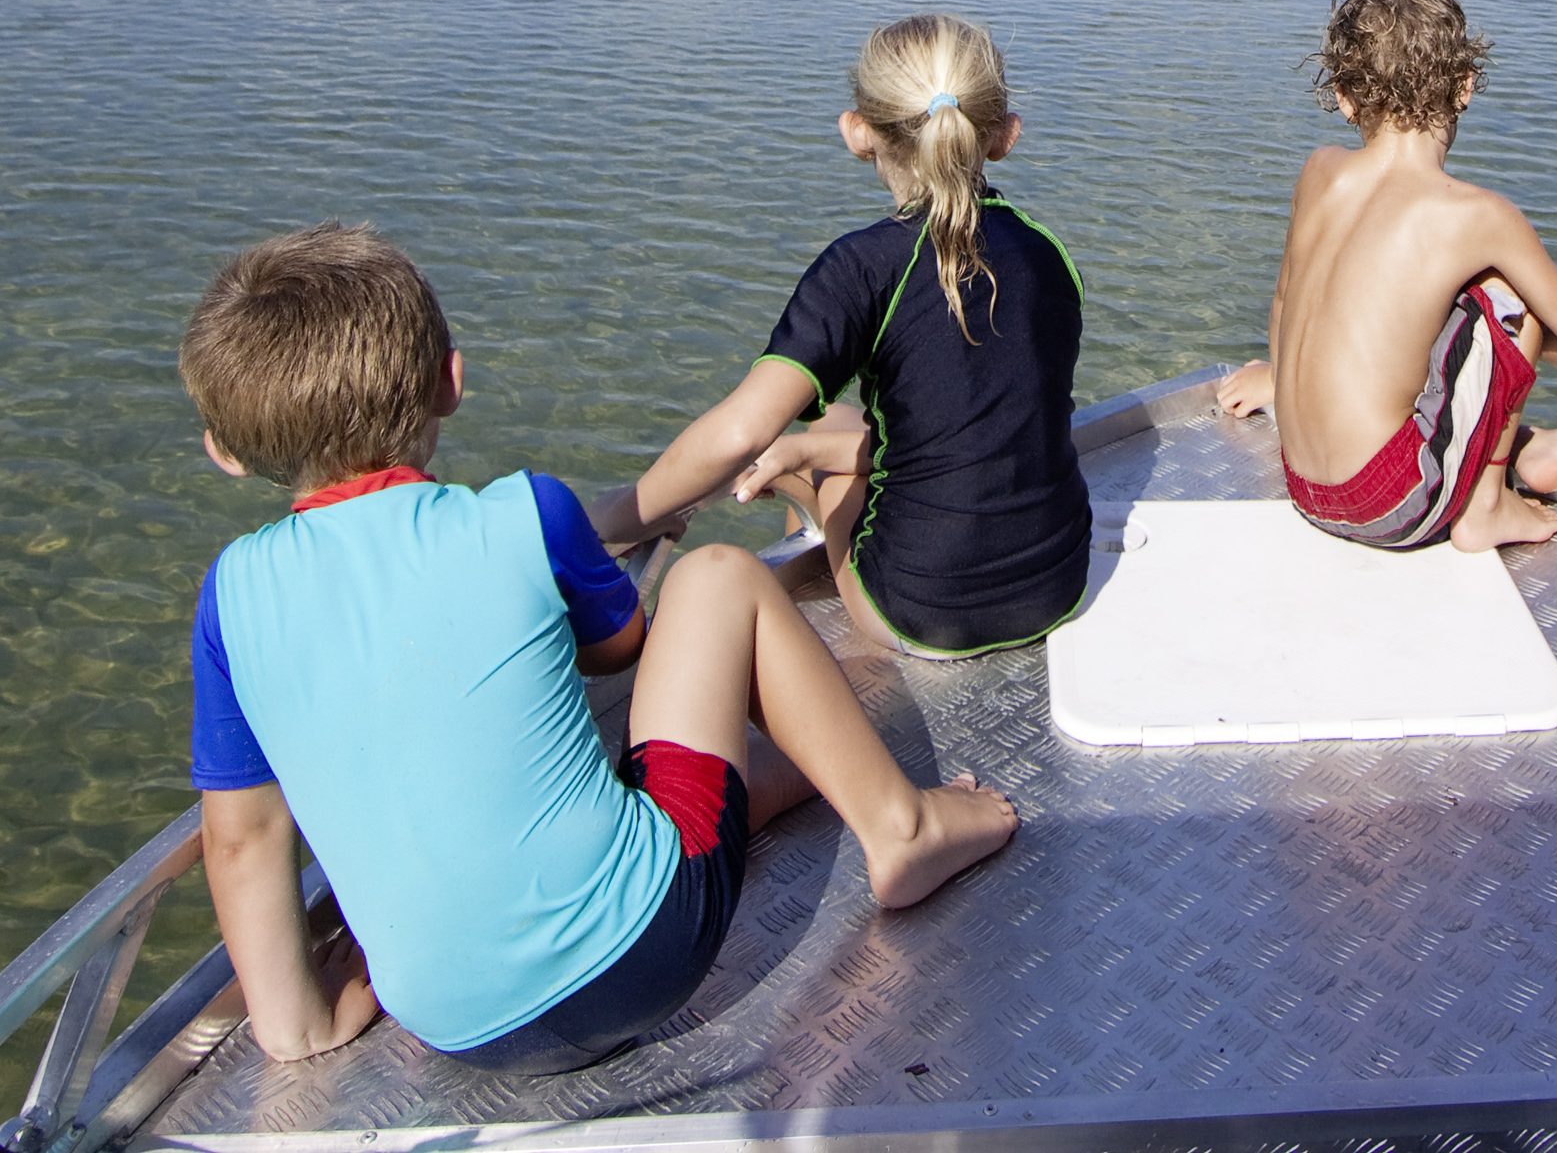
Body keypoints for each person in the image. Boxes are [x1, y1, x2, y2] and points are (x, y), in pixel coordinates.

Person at [184, 223, 1016, 1074]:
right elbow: (622, 650)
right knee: (717, 581)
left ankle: (789, 780)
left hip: (458, 1031)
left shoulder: (230, 598)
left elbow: (244, 837)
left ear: (226, 450)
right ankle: (902, 826)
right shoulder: (523, 514)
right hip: (648, 950)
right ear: (450, 383)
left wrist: (300, 1029)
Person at [594, 15, 1090, 658]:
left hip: (918, 609)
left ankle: (810, 531)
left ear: (858, 132)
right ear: (1004, 136)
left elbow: (740, 432)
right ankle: (805, 464)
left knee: (811, 450)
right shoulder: (1048, 251)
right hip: (1059, 583)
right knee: (836, 429)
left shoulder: (860, 267)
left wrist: (610, 517)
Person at [1218, 0, 1557, 552]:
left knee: (1395, 306)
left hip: (1303, 485)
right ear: (1465, 86)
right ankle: (1488, 507)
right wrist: (1510, 348)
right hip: (1388, 504)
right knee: (1508, 303)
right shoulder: (1478, 215)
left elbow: (1287, 302)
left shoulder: (1319, 171)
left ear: (1343, 98)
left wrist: (1282, 374)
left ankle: (1533, 449)